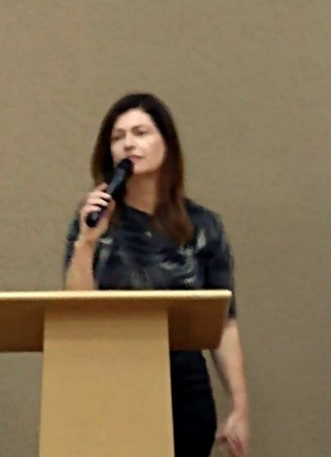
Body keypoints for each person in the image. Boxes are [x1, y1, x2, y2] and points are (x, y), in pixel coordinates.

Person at [62, 92, 249, 457]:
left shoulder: (202, 226)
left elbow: (224, 323)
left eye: (141, 132)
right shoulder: (95, 220)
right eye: (118, 137)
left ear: (167, 144)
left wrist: (239, 407)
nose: (128, 144)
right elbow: (76, 310)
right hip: (111, 379)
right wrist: (87, 242)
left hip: (184, 385)